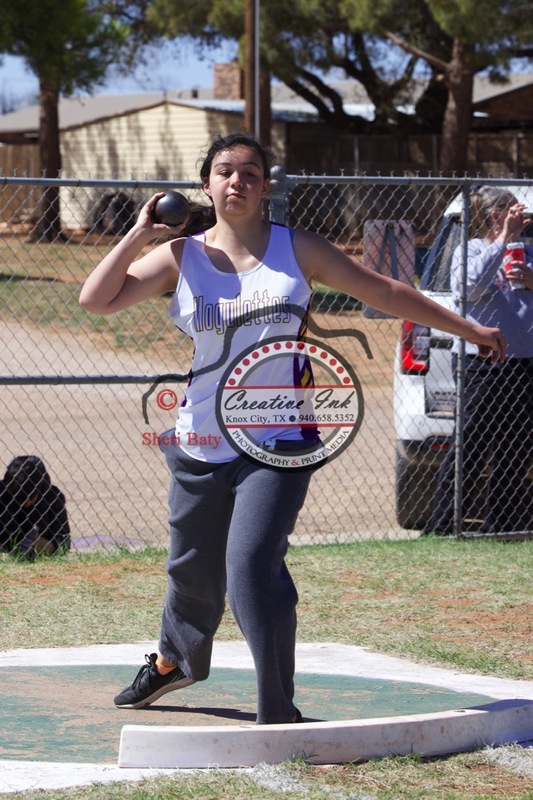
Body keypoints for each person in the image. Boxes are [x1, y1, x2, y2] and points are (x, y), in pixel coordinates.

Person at [79, 132, 505, 724]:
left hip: (279, 437)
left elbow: (386, 290)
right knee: (192, 569)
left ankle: (276, 709)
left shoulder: (296, 249)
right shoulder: (182, 257)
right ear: (206, 185)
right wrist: (140, 234)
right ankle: (174, 660)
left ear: (265, 187)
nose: (237, 181)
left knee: (251, 561)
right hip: (200, 437)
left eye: (250, 172)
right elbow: (95, 301)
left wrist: (470, 329)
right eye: (225, 171)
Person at [429, 186, 533, 535]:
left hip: (524, 363)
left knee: (515, 446)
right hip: (481, 363)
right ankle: (443, 526)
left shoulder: (528, 252)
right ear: (495, 216)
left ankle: (500, 526)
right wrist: (504, 238)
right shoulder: (470, 250)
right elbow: (468, 287)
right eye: (513, 213)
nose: (523, 220)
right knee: (470, 442)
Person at [0, 455, 71, 559]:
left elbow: (64, 542)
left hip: (39, 552)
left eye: (30, 498)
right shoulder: (2, 493)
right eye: (18, 499)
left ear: (41, 484)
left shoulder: (52, 497)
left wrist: (42, 544)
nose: (25, 504)